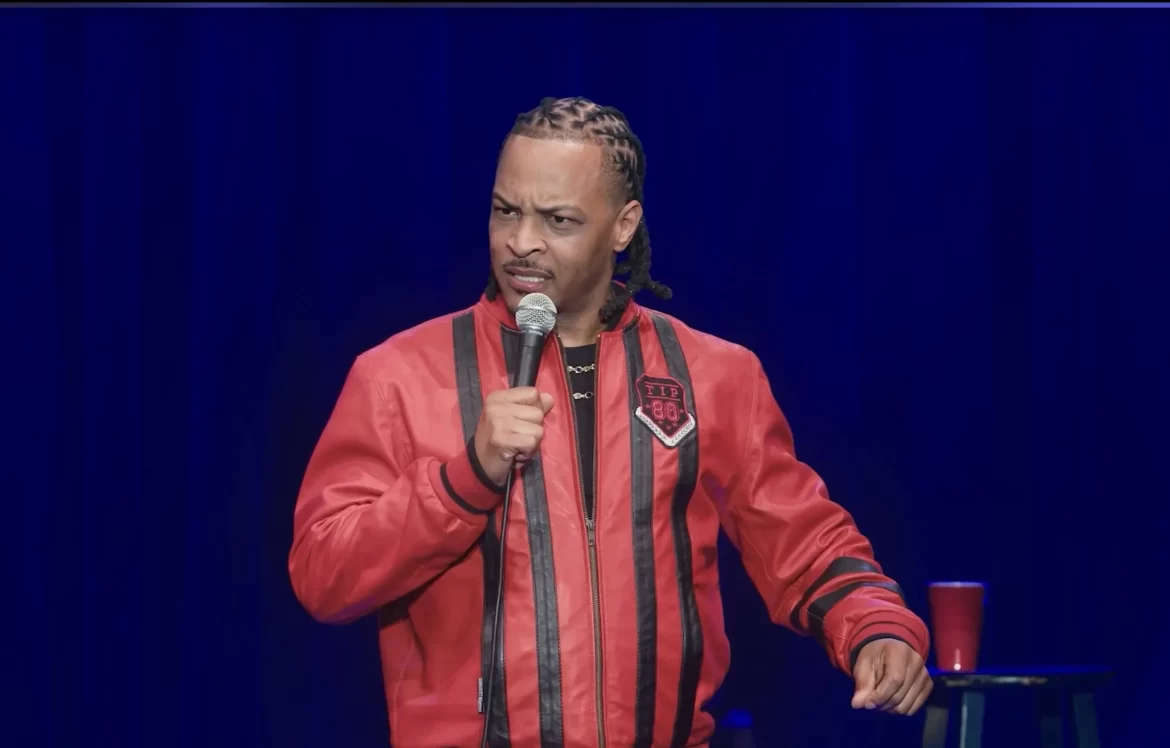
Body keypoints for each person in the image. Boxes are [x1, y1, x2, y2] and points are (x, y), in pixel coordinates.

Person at [289, 96, 933, 748]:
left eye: (558, 219)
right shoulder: (399, 375)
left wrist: (874, 625)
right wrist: (465, 479)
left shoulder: (712, 374)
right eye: (506, 211)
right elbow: (322, 574)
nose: (521, 242)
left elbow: (800, 537)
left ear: (623, 226)